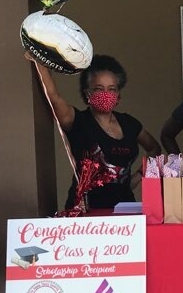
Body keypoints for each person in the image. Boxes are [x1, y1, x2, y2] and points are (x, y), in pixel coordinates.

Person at [29, 54, 161, 211]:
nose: (106, 94)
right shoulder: (77, 121)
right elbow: (53, 97)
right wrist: (38, 58)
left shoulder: (129, 123)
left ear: (118, 95)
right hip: (85, 211)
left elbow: (154, 148)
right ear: (87, 93)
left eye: (112, 89)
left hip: (124, 209)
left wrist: (137, 178)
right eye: (99, 89)